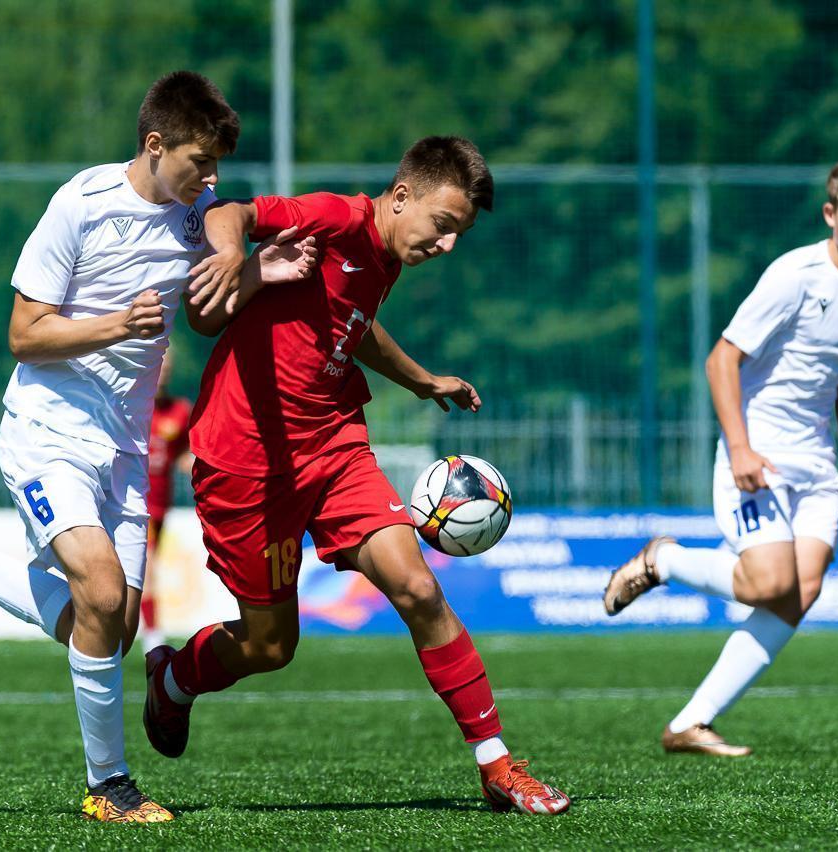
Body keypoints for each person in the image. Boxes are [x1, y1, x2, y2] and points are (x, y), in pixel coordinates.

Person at [0, 71, 316, 824]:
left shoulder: (197, 211)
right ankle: (109, 786)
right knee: (102, 594)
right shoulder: (80, 205)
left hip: (125, 447)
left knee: (111, 633)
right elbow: (24, 335)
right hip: (47, 432)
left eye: (217, 166)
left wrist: (254, 270)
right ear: (155, 144)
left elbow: (211, 281)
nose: (211, 179)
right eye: (200, 163)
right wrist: (118, 324)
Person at [142, 136, 570, 816]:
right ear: (401, 197)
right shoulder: (336, 218)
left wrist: (421, 380)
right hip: (247, 461)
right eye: (443, 225)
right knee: (270, 646)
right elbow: (231, 212)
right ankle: (174, 679)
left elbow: (353, 323)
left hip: (335, 444)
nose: (447, 245)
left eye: (458, 235)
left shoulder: (387, 255)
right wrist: (230, 257)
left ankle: (497, 765)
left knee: (419, 588)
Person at [603, 157, 838, 756]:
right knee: (768, 583)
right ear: (830, 214)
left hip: (818, 468)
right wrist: (739, 447)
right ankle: (663, 560)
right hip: (758, 451)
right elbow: (721, 360)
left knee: (800, 592)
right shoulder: (795, 274)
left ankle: (691, 723)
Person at [139, 349, 195, 650]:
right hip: (135, 504)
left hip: (161, 505)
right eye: (159, 365)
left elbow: (184, 453)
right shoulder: (132, 405)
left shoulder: (180, 411)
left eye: (168, 368)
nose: (163, 373)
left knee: (142, 569)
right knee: (146, 567)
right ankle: (152, 636)